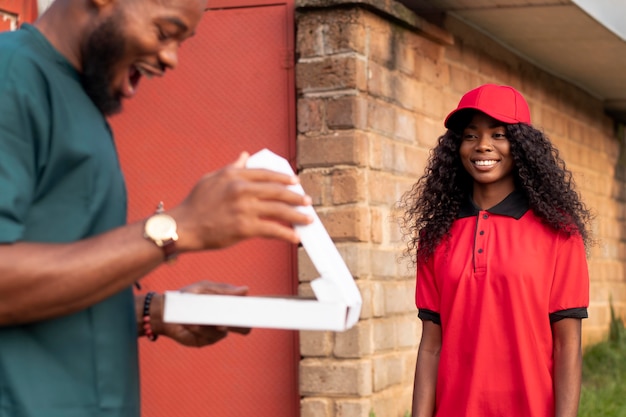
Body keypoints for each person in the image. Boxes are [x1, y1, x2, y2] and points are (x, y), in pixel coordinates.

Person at [0, 0, 313, 416]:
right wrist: (175, 228)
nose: (171, 59)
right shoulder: (12, 78)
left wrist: (156, 312)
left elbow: (49, 290)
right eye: (165, 33)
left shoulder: (81, 100)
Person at [400, 84, 593, 417]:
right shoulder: (435, 237)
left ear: (521, 147)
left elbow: (568, 346)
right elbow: (431, 347)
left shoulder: (559, 234)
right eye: (471, 136)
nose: (483, 146)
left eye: (499, 134)